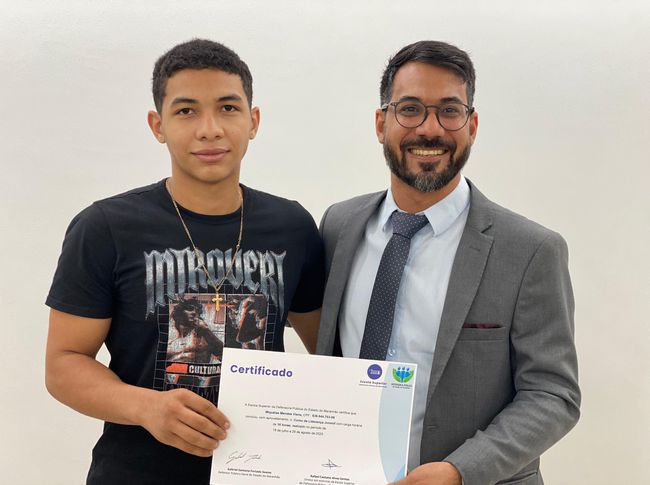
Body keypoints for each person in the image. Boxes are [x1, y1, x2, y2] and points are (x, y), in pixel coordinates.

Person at [45, 39, 324, 485]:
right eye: (186, 111)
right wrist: (147, 407)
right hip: (136, 474)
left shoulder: (293, 226)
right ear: (158, 125)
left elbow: (328, 353)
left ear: (253, 121)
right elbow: (63, 364)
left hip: (262, 472)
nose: (209, 129)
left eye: (228, 108)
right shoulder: (105, 227)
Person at [316, 40, 580, 485]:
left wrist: (460, 472)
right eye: (410, 109)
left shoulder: (531, 250)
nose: (430, 129)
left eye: (449, 111)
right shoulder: (339, 226)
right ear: (381, 123)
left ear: (472, 126)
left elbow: (553, 393)